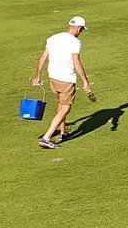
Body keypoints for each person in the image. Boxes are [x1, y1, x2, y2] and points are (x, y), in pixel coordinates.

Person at [31, 16, 92, 149]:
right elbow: (77, 62)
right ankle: (47, 137)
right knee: (65, 108)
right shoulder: (75, 42)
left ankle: (63, 133)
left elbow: (42, 58)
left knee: (60, 104)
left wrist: (37, 77)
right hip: (66, 79)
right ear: (79, 29)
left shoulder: (53, 38)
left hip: (53, 77)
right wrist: (85, 82)